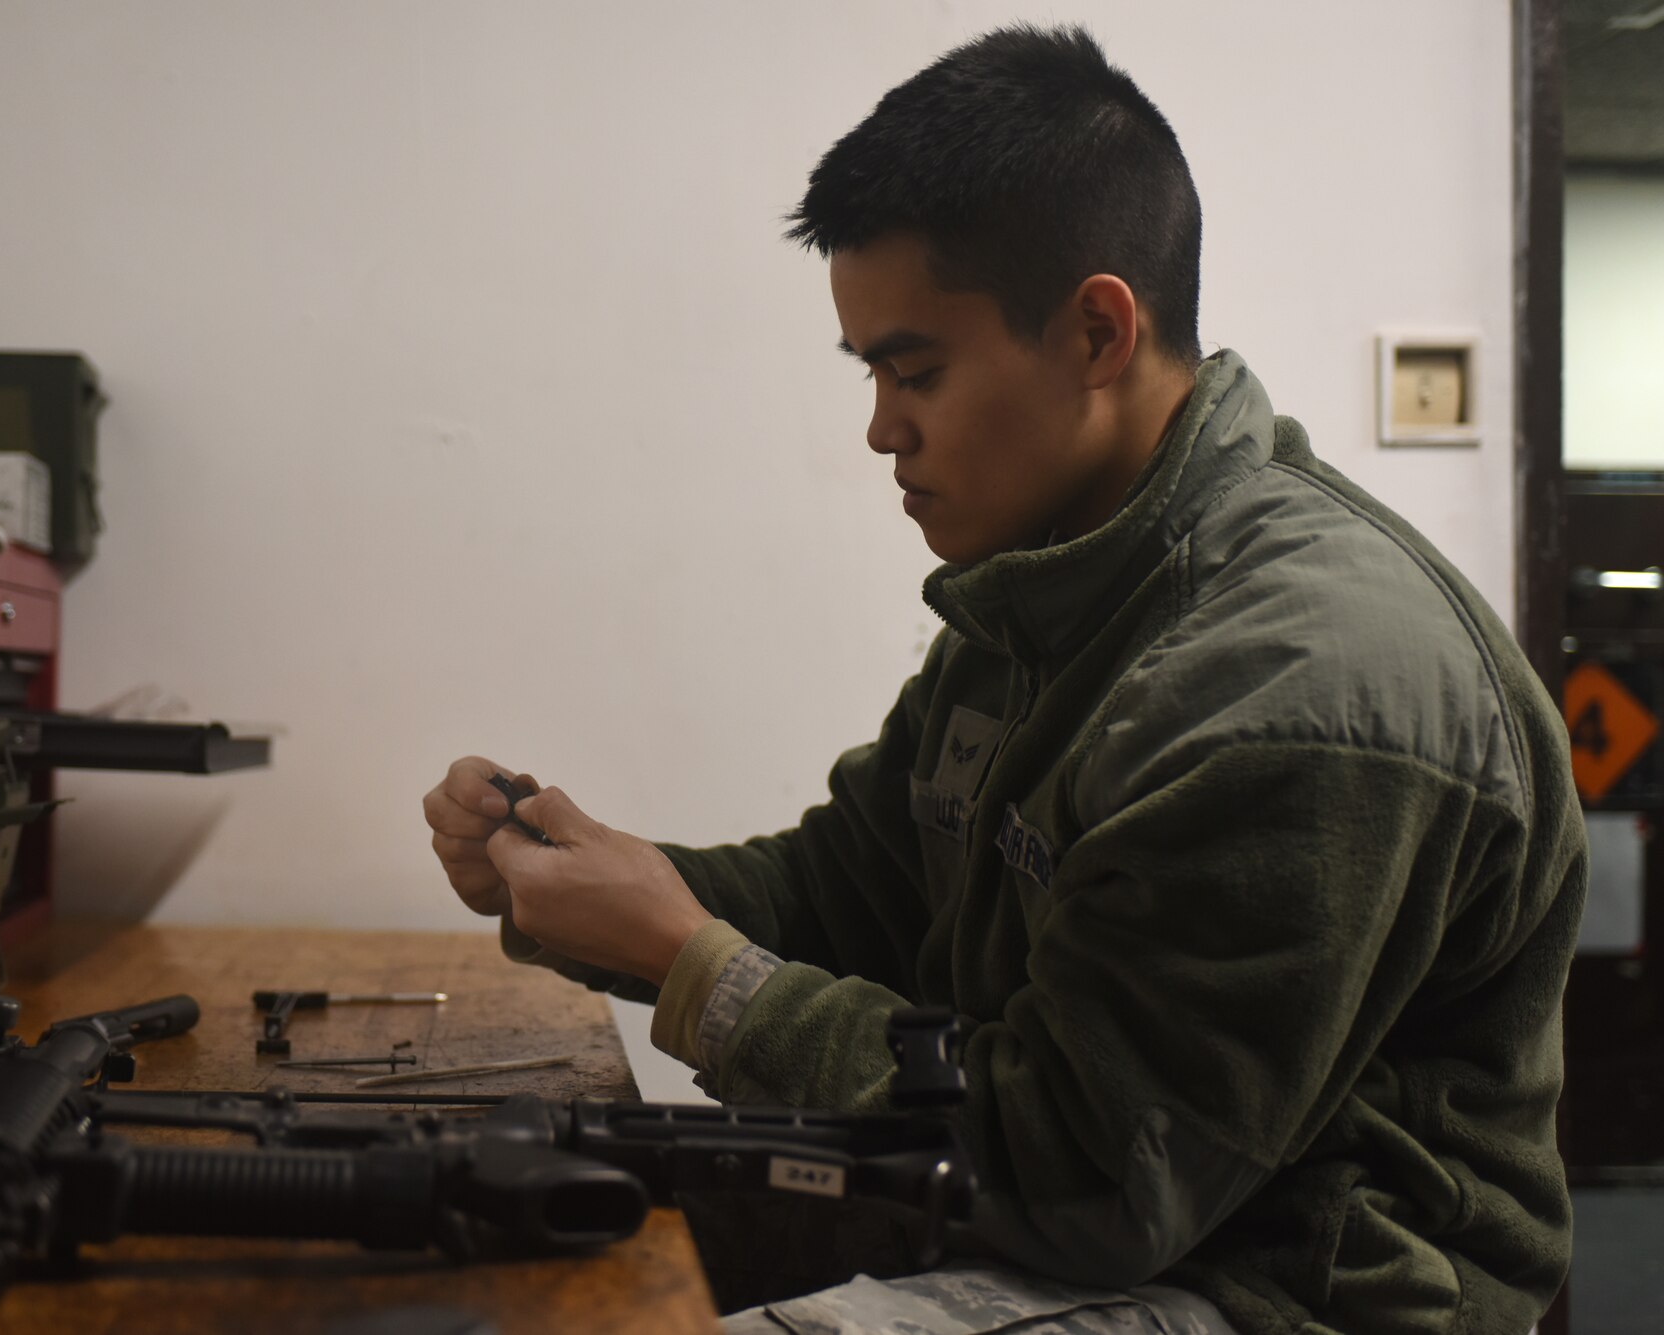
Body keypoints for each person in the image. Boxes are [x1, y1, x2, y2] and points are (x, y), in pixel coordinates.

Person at [422, 24, 1583, 1335]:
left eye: (914, 370)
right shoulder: (1050, 589)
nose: (880, 428)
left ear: (1096, 331)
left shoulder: (1296, 693)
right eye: (870, 372)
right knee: (493, 1235)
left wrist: (697, 966)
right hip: (1082, 1213)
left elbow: (1090, 1179)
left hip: (1279, 1286)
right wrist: (581, 880)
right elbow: (851, 894)